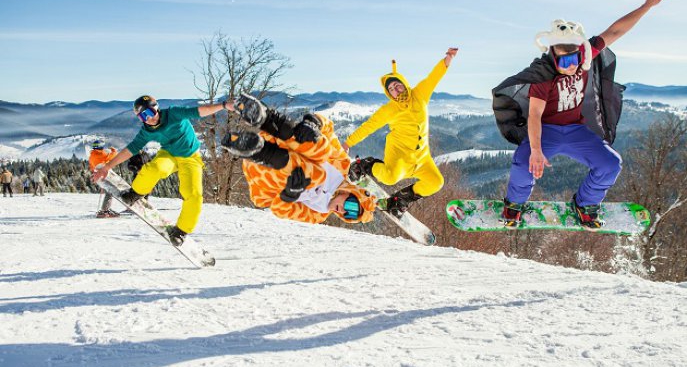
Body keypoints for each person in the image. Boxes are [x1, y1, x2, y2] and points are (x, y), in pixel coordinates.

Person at [492, 0, 667, 230]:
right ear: (553, 55)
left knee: (610, 164)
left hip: (576, 130)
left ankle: (584, 204)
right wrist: (536, 150)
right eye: (563, 60)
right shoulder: (543, 75)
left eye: (574, 58)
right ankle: (514, 204)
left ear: (580, 53)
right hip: (547, 131)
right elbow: (534, 115)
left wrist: (646, 6)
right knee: (523, 162)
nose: (570, 65)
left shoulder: (584, 57)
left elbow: (616, 31)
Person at [92, 95, 230, 246]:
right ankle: (135, 193)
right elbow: (130, 149)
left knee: (194, 194)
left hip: (190, 157)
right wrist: (106, 167)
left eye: (150, 113)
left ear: (156, 108)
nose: (148, 119)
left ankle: (181, 231)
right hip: (169, 154)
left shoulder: (174, 114)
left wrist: (223, 105)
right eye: (142, 116)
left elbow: (200, 111)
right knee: (155, 168)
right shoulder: (147, 130)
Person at [221, 93, 376, 224]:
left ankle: (258, 149)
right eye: (351, 206)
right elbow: (328, 130)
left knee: (316, 175)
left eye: (350, 215)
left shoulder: (318, 214)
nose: (344, 211)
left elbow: (280, 210)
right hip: (274, 143)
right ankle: (266, 120)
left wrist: (290, 194)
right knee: (323, 154)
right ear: (350, 193)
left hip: (267, 182)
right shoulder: (341, 166)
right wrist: (314, 123)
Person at [342, 48, 458, 217]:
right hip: (400, 157)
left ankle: (401, 199)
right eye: (391, 89)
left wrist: (447, 59)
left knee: (436, 182)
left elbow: (434, 78)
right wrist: (347, 143)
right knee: (389, 178)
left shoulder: (420, 94)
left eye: (398, 85)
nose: (396, 90)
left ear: (404, 84)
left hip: (422, 158)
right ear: (389, 94)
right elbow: (369, 126)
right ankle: (366, 165)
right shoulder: (389, 110)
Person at [88, 139, 120, 218]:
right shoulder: (101, 154)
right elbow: (112, 156)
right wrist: (113, 150)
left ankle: (106, 209)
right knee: (110, 191)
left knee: (108, 191)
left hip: (98, 176)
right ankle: (104, 210)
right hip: (104, 176)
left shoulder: (91, 155)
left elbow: (92, 167)